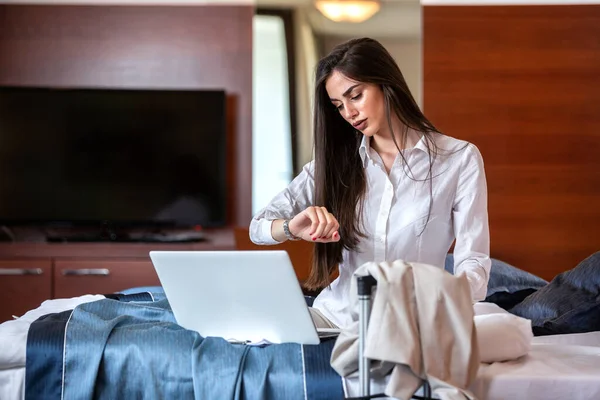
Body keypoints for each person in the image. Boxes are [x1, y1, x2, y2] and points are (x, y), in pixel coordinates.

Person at [249, 37, 491, 329]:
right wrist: (291, 228)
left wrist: (444, 306)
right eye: (338, 105)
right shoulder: (335, 164)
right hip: (335, 320)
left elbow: (473, 262)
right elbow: (258, 227)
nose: (349, 113)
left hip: (411, 327)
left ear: (385, 83)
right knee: (249, 335)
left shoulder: (458, 160)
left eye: (356, 95)